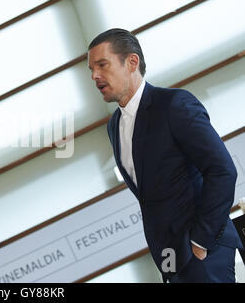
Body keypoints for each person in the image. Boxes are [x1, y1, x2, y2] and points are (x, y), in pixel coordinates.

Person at [87, 28, 243, 283]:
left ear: (132, 62)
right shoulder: (114, 125)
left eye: (102, 65)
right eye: (91, 69)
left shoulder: (174, 105)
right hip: (171, 259)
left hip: (204, 254)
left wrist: (200, 242)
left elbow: (222, 170)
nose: (95, 76)